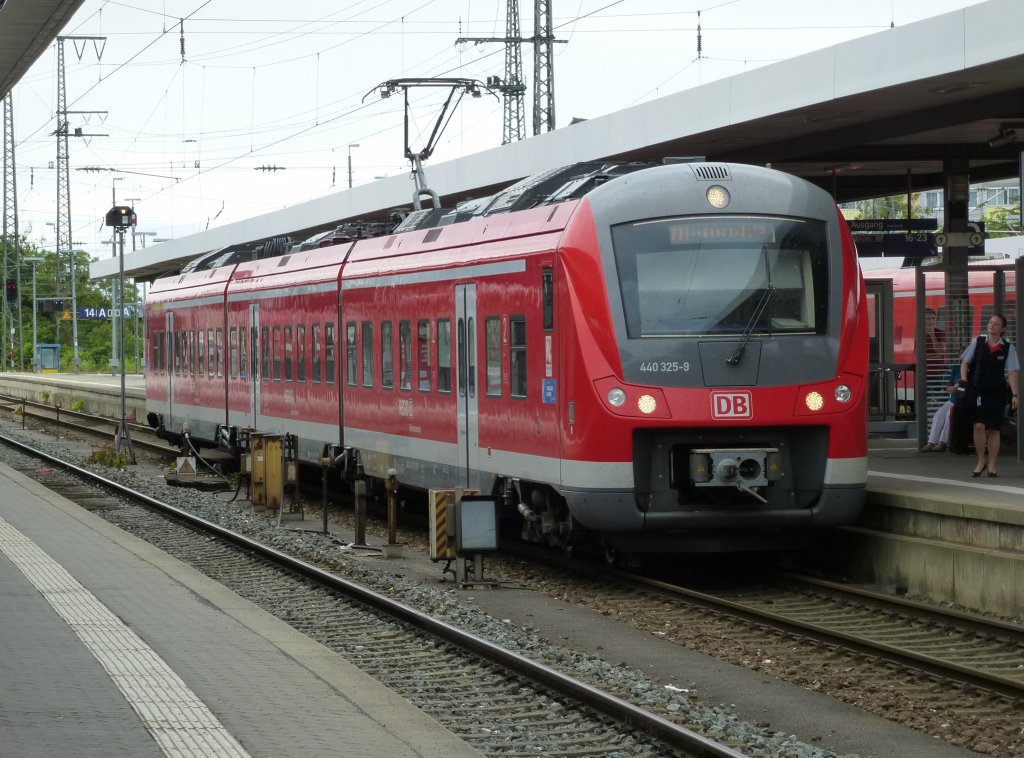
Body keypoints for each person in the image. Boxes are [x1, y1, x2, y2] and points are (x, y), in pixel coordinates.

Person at [959, 314, 1020, 477]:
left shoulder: (1008, 348)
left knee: (994, 429)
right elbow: (965, 362)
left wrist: (1015, 395)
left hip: (997, 392)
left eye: (996, 324)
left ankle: (992, 465)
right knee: (978, 425)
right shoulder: (977, 342)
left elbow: (1012, 372)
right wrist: (964, 379)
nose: (991, 325)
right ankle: (981, 461)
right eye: (990, 322)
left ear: (1002, 329)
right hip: (977, 390)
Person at [920, 364, 960, 452]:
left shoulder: (974, 368)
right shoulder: (956, 369)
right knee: (939, 414)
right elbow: (948, 387)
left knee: (950, 414)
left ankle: (943, 442)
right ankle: (931, 442)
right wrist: (952, 389)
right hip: (953, 400)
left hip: (963, 401)